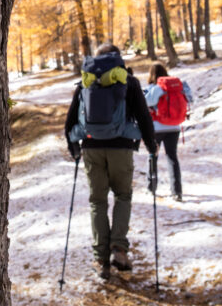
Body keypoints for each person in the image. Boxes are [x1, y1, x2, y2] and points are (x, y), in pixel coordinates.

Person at [65, 43, 158, 280]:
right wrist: (151, 144)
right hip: (122, 147)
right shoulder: (128, 79)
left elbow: (72, 116)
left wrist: (73, 146)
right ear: (118, 57)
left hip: (92, 148)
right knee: (122, 196)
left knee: (97, 201)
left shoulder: (86, 79)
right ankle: (119, 248)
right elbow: (143, 116)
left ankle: (100, 259)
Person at [143, 62, 193, 202]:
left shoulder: (154, 88)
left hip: (157, 128)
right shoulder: (177, 86)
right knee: (172, 157)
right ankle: (177, 191)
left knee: (153, 156)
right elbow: (190, 98)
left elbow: (146, 102)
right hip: (174, 127)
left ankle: (151, 187)